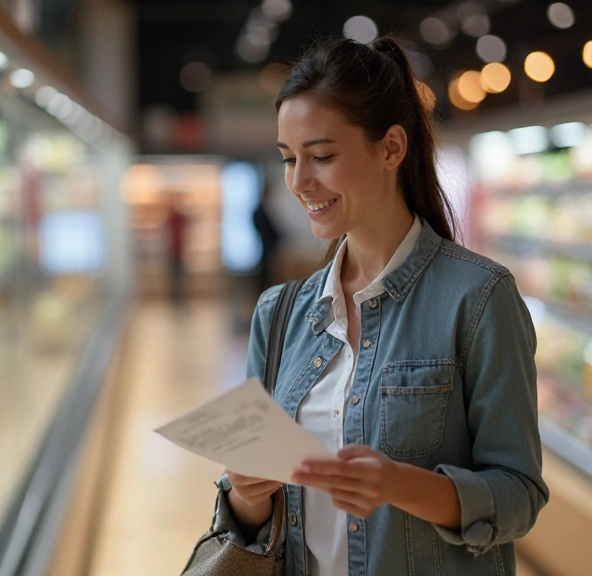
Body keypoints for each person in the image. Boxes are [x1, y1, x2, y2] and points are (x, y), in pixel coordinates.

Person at [215, 37, 549, 575]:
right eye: (288, 159)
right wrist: (247, 495)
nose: (300, 182)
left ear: (392, 148)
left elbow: (519, 495)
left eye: (322, 156)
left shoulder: (479, 297)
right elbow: (256, 522)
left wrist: (399, 484)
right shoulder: (278, 315)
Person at [252, 179, 282, 296]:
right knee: (264, 276)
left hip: (268, 248)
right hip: (264, 248)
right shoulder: (260, 211)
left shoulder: (265, 209)